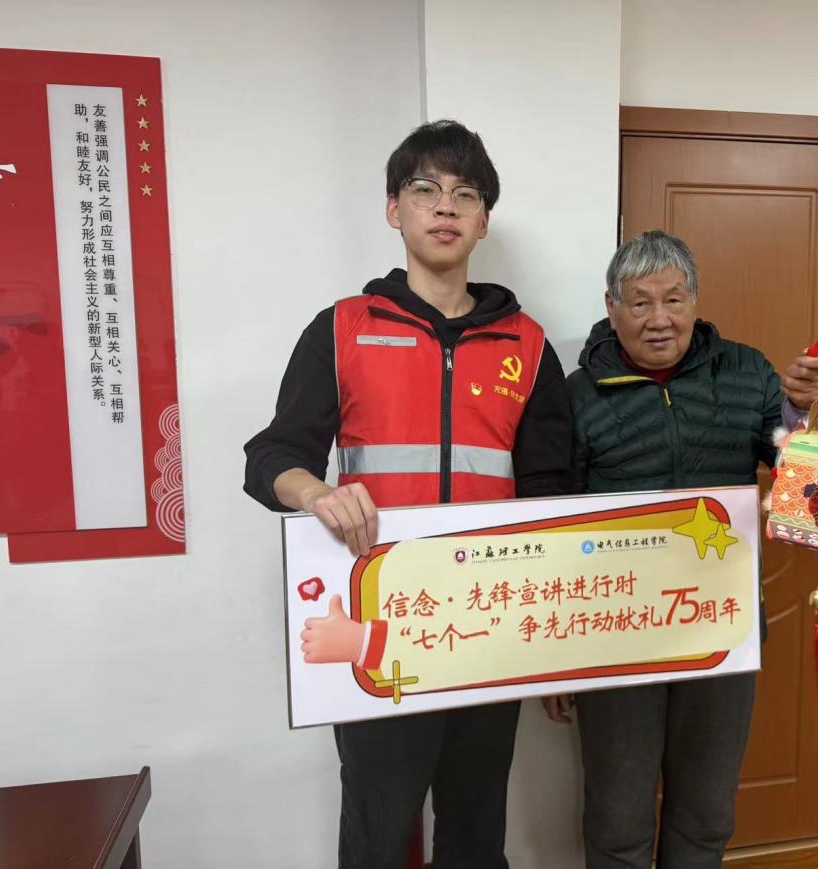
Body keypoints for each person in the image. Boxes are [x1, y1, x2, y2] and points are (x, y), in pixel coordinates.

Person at [244, 119, 573, 869]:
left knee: (474, 834)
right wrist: (314, 493)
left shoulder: (527, 345)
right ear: (395, 209)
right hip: (377, 623)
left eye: (466, 194)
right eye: (425, 189)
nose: (445, 206)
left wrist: (555, 645)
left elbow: (551, 493)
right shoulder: (343, 329)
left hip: (489, 626)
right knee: (378, 831)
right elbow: (271, 457)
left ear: (484, 220)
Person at [540, 230, 818, 869]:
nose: (659, 319)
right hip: (616, 632)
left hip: (722, 624)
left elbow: (802, 486)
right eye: (640, 302)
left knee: (706, 813)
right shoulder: (577, 393)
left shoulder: (747, 372)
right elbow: (555, 521)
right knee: (618, 816)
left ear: (695, 302)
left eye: (673, 299)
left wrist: (804, 412)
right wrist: (558, 658)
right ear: (611, 307)